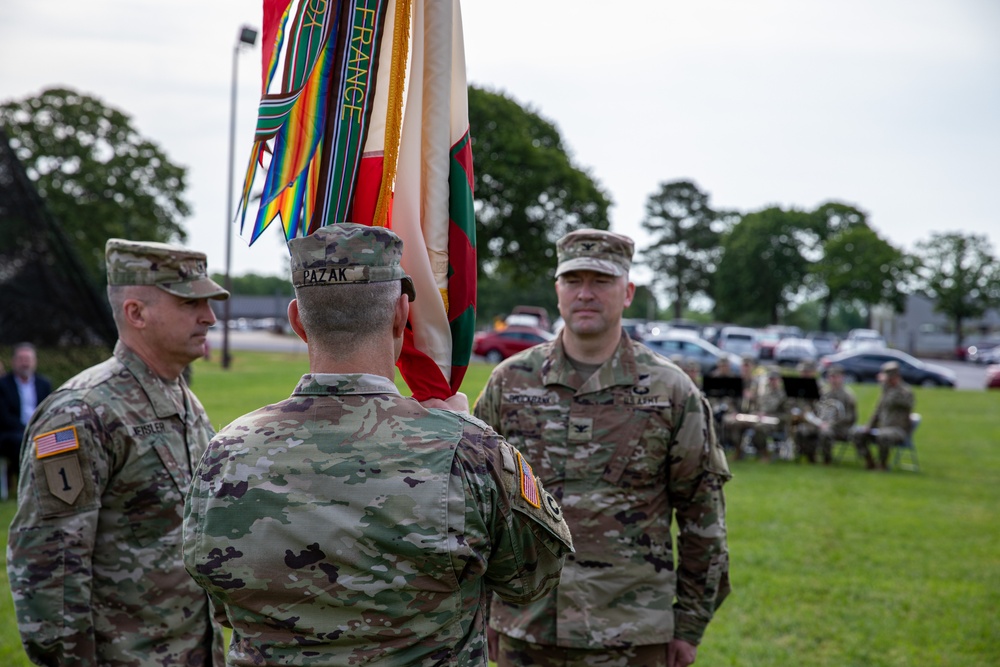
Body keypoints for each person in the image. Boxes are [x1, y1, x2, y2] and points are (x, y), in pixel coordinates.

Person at [182, 223, 573, 666]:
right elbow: (533, 578)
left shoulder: (225, 452)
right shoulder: (469, 452)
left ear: (297, 320)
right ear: (401, 315)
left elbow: (217, 589)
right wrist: (460, 426)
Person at [473, 229, 731, 667]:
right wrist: (484, 615)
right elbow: (477, 506)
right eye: (573, 281)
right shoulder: (510, 382)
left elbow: (702, 518)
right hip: (525, 628)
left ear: (627, 292)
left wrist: (688, 627)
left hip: (631, 632)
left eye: (602, 281)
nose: (585, 294)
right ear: (557, 290)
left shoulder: (671, 392)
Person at [7, 239, 229, 666]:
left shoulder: (184, 401)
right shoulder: (80, 414)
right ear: (136, 313)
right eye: (190, 303)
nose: (210, 317)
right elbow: (51, 570)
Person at [0, 343, 53, 478]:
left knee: (63, 439)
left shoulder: (44, 384)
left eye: (28, 359)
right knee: (19, 442)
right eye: (21, 359)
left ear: (35, 362)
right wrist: (27, 429)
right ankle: (28, 481)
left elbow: (49, 410)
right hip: (12, 432)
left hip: (40, 429)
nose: (25, 364)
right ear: (13, 361)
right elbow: (4, 416)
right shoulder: (3, 385)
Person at [852, 361, 915, 470]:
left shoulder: (904, 391)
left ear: (894, 378)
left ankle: (882, 465)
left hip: (898, 430)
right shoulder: (886, 390)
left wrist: (890, 390)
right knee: (857, 434)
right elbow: (877, 411)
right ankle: (869, 461)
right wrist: (869, 426)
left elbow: (906, 404)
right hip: (882, 428)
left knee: (883, 436)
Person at [816, 365, 857, 464]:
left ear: (842, 378)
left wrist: (831, 424)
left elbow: (850, 417)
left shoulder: (848, 395)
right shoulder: (824, 393)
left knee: (826, 433)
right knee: (805, 430)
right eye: (831, 377)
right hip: (823, 425)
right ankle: (811, 457)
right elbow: (819, 411)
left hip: (842, 428)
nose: (833, 380)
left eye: (836, 377)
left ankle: (827, 460)